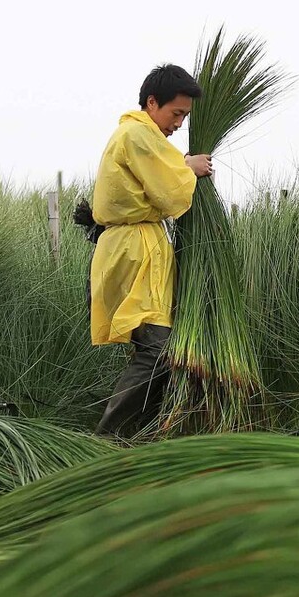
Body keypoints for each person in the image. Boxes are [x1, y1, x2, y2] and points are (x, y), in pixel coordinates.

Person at [88, 64, 214, 436]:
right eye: (176, 113)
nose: (178, 123)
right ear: (152, 102)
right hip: (132, 252)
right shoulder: (136, 134)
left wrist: (182, 164)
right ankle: (108, 437)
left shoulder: (145, 137)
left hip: (143, 248)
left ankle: (134, 435)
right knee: (158, 350)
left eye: (185, 116)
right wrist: (189, 167)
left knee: (156, 350)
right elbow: (170, 193)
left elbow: (162, 175)